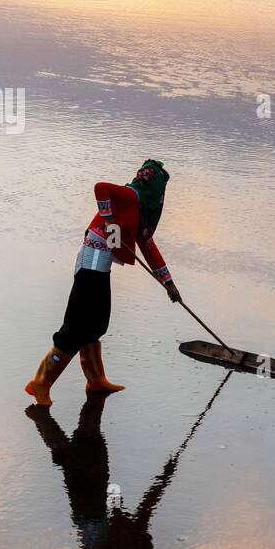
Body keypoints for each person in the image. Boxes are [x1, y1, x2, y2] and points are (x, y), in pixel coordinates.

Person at [25, 160, 180, 406]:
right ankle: (41, 382)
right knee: (76, 325)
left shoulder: (139, 211)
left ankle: (95, 380)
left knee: (96, 323)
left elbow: (148, 248)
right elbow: (100, 188)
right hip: (92, 259)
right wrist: (108, 220)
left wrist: (169, 283)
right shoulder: (130, 195)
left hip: (102, 264)